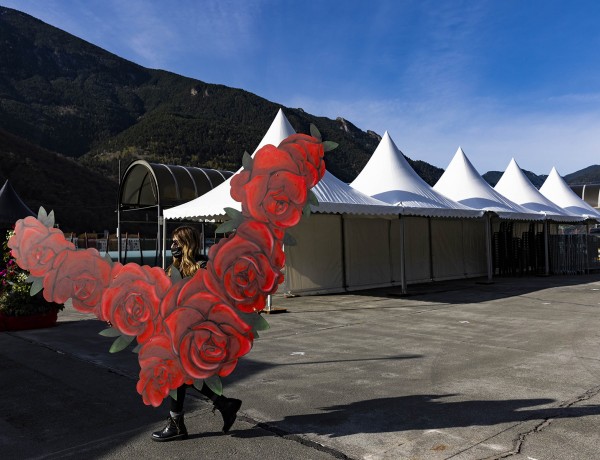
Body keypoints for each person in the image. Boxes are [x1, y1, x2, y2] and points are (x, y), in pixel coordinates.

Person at [152, 225, 242, 442]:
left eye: (176, 242)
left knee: (179, 374)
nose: (172, 246)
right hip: (178, 331)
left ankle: (178, 423)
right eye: (172, 242)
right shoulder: (172, 269)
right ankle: (222, 405)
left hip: (198, 332)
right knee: (182, 375)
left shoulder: (203, 267)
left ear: (187, 244)